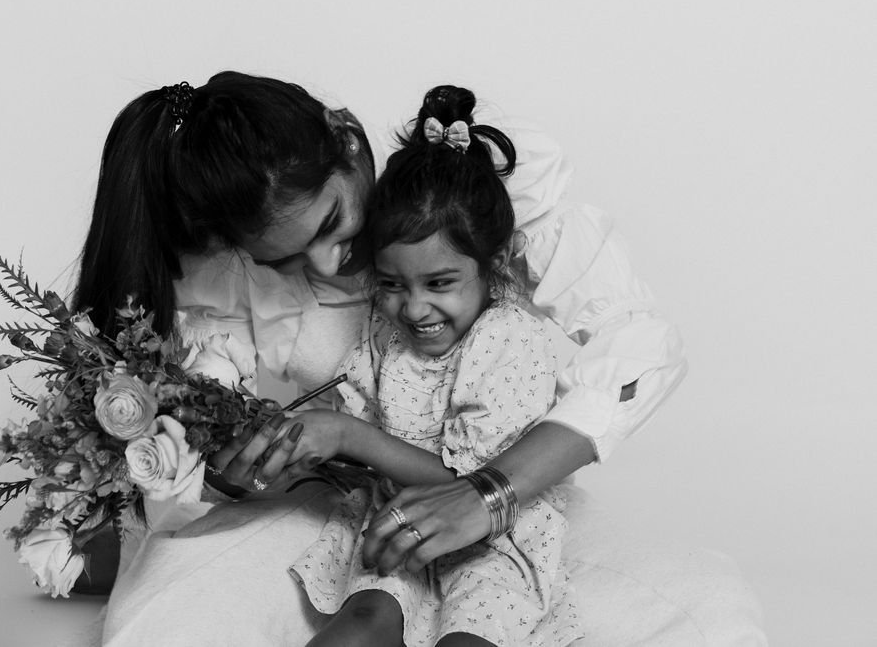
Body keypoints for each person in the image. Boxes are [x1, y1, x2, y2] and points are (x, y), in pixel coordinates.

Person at [74, 72, 765, 646]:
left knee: (699, 616)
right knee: (175, 615)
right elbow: (217, 427)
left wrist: (488, 492)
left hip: (517, 501)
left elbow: (640, 342)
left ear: (349, 145)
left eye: (329, 223)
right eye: (283, 258)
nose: (326, 262)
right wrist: (232, 460)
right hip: (358, 518)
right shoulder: (236, 284)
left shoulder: (468, 199)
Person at [278, 86, 583, 647]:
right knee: (361, 623)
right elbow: (351, 427)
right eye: (393, 285)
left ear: (492, 265)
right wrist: (300, 446)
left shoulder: (509, 339)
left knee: (469, 637)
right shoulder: (382, 330)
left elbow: (465, 484)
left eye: (439, 283)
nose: (413, 308)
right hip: (398, 521)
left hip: (495, 532)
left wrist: (349, 435)